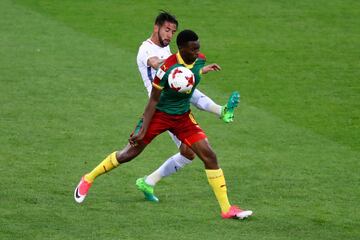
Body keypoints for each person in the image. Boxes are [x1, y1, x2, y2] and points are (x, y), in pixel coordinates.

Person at [74, 29, 253, 220]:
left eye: (198, 48)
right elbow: (153, 101)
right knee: (129, 153)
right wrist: (143, 130)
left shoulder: (199, 60)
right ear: (181, 48)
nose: (196, 52)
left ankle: (226, 209)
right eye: (192, 49)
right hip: (159, 114)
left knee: (209, 156)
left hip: (183, 117)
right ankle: (88, 178)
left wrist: (203, 70)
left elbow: (193, 72)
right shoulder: (166, 68)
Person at [135, 11, 240, 202]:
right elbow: (155, 63)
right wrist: (168, 64)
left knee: (188, 153)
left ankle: (148, 182)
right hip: (163, 104)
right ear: (156, 27)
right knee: (192, 97)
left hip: (173, 94)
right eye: (167, 30)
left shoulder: (167, 49)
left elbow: (180, 71)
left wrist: (201, 69)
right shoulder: (146, 49)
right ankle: (222, 111)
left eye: (173, 32)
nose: (169, 35)